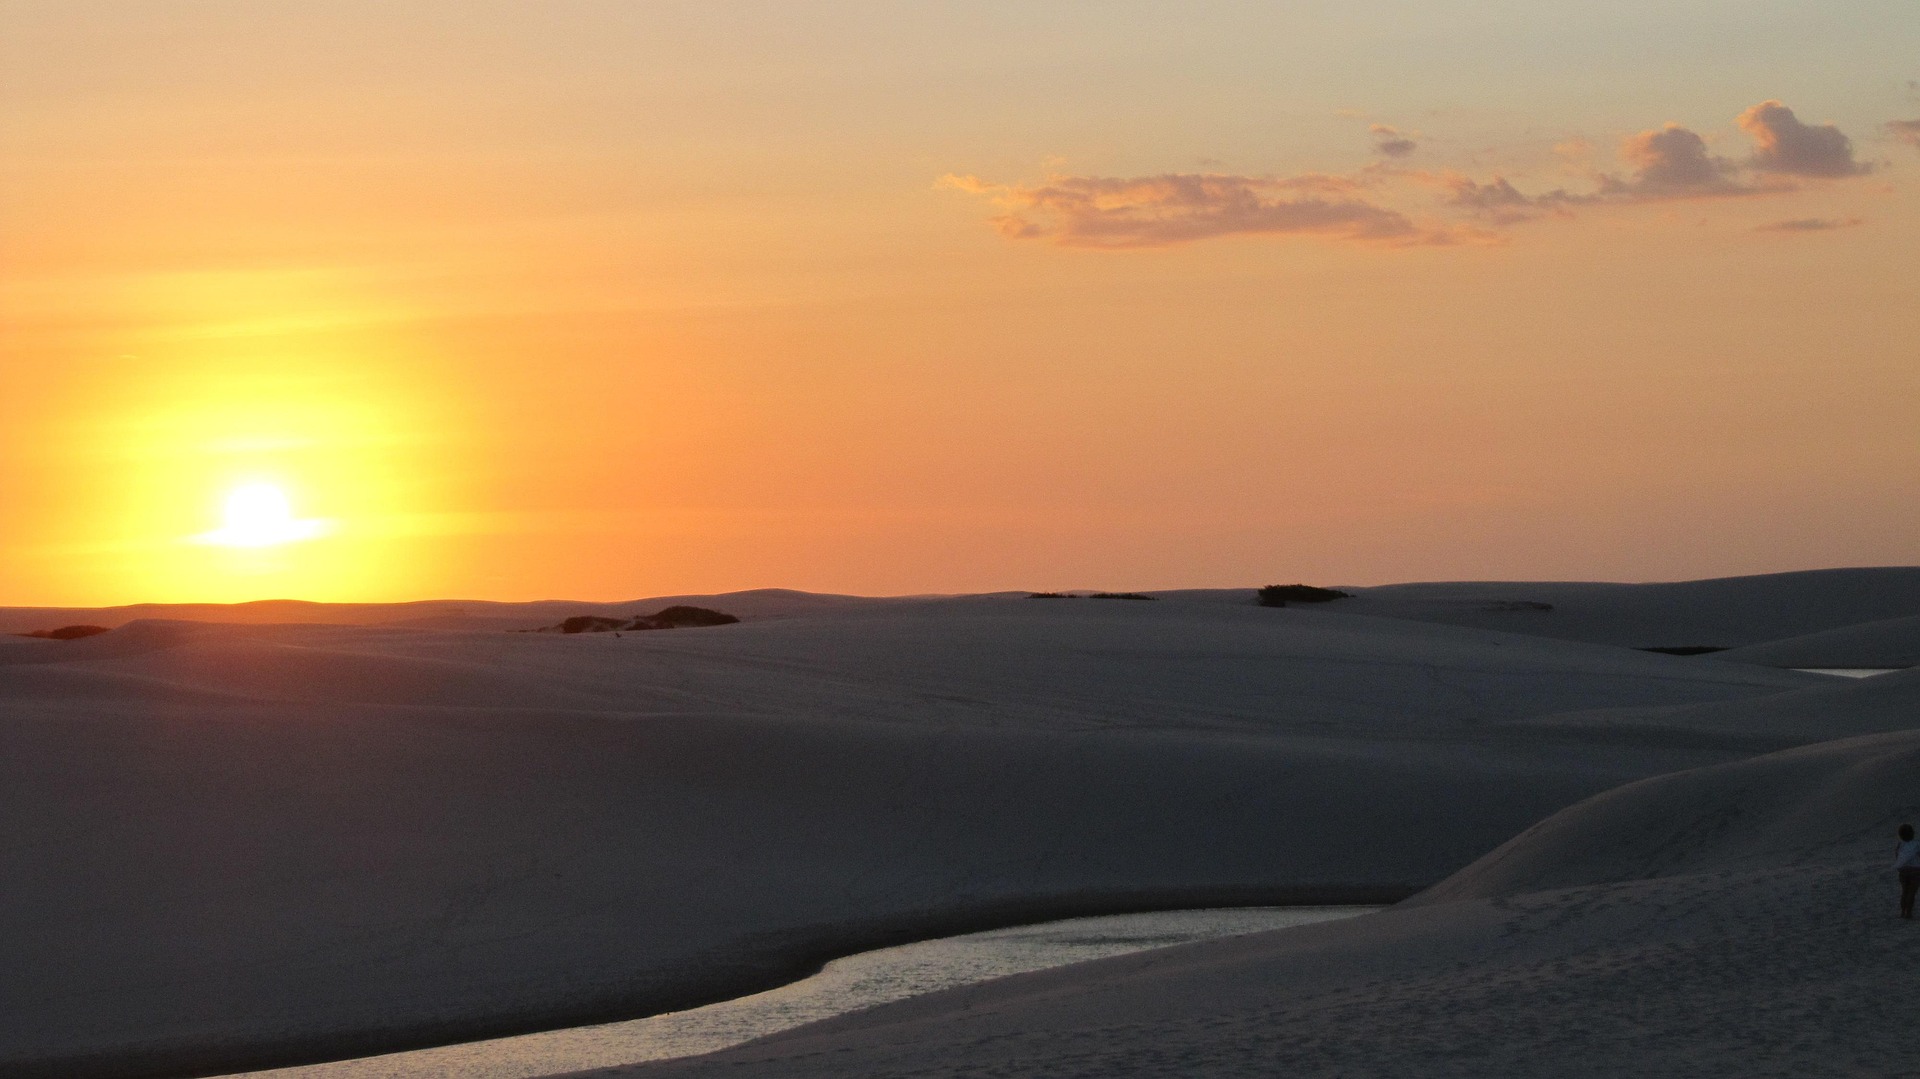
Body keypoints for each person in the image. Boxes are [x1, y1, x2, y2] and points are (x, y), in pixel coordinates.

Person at [1897, 824, 1920, 920]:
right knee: (1911, 892)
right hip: (1915, 870)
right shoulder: (1916, 844)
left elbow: (1897, 856)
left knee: (1904, 891)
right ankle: (1908, 912)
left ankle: (1903, 911)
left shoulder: (1900, 845)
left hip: (1903, 870)